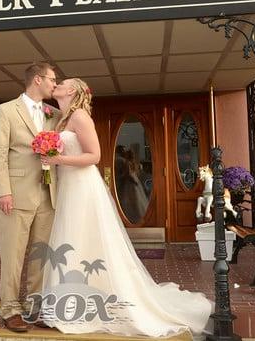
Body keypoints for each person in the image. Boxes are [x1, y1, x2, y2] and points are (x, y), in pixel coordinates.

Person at [38, 78, 213, 339]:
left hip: (82, 187)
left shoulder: (80, 117)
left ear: (72, 90)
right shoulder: (64, 117)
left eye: (61, 83)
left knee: (80, 239)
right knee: (73, 241)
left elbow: (94, 156)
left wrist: (57, 159)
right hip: (68, 187)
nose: (57, 85)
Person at [0, 62, 61, 332]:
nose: (55, 84)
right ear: (38, 80)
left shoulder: (53, 113)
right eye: (53, 80)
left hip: (47, 193)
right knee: (13, 255)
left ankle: (36, 307)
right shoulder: (5, 111)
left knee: (40, 255)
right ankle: (10, 309)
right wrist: (2, 191)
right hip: (16, 194)